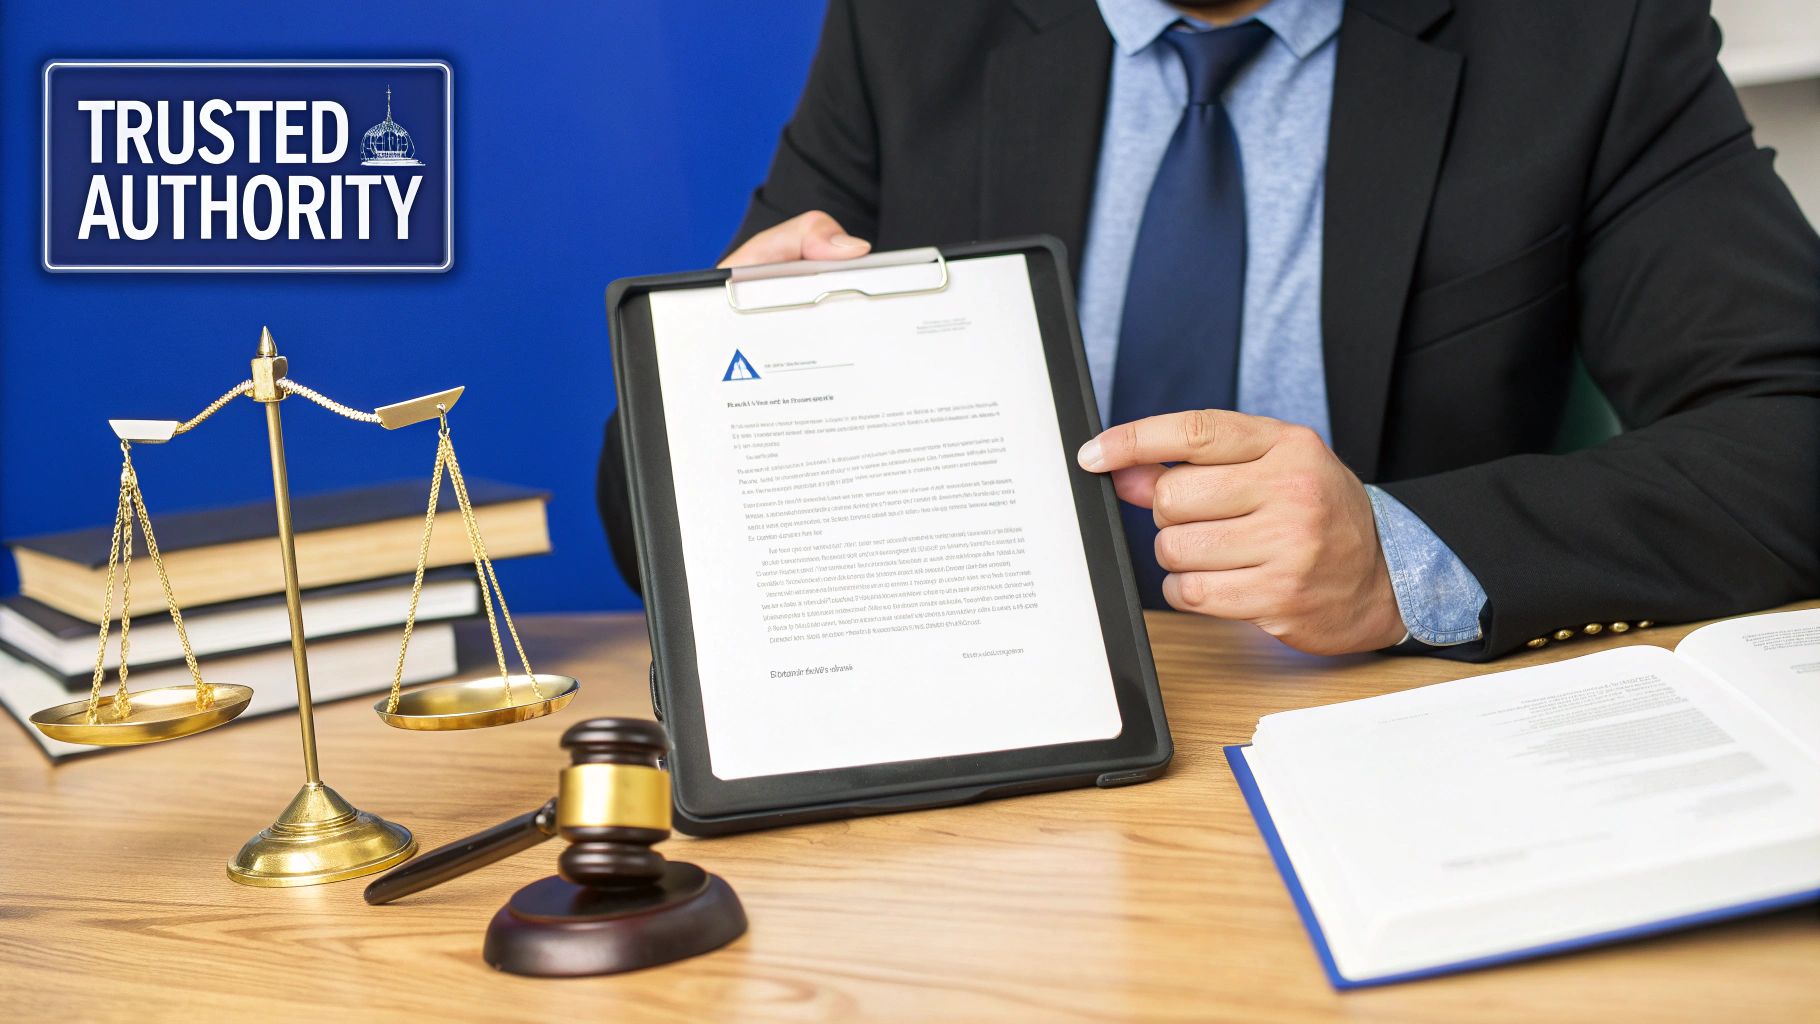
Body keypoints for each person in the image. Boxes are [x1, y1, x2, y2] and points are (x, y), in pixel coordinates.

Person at [600, 0, 1820, 660]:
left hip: (1386, 745)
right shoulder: (911, 27)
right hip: (1000, 782)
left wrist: (1397, 558)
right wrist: (719, 397)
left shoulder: (1583, 31)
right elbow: (645, 522)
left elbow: (1792, 432)